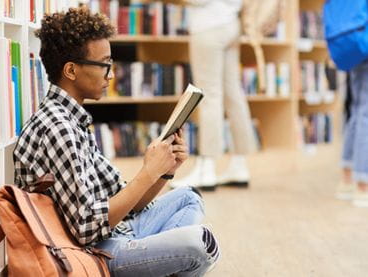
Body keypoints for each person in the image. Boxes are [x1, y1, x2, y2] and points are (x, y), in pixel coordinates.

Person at [13, 7, 219, 276]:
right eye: (104, 64)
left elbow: (129, 203)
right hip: (97, 252)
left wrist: (163, 170)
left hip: (119, 230)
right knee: (200, 244)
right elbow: (86, 229)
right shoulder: (58, 127)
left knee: (189, 197)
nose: (110, 75)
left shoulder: (73, 119)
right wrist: (147, 172)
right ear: (72, 70)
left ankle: (152, 262)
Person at [171, 0, 258, 190]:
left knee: (209, 96)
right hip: (231, 24)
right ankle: (240, 165)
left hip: (208, 25)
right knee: (233, 94)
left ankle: (206, 168)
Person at [336, 64, 368, 207]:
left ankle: (347, 180)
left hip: (359, 55)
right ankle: (363, 186)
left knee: (358, 111)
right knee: (364, 114)